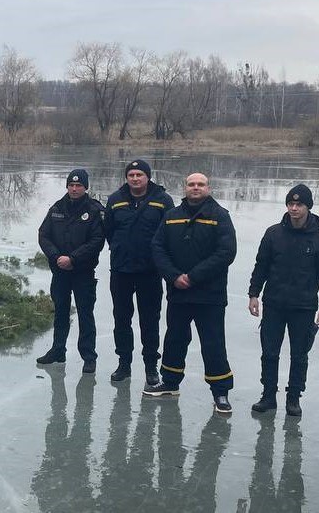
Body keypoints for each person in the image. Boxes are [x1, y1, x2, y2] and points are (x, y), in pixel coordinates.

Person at [144, 172, 237, 414]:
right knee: (175, 338)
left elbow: (226, 252)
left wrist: (193, 276)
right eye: (191, 184)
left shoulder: (220, 216)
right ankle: (170, 383)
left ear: (209, 188)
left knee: (213, 343)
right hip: (178, 293)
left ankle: (220, 393)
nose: (195, 188)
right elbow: (157, 247)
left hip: (210, 296)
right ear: (185, 188)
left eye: (200, 185)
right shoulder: (172, 216)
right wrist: (174, 276)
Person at [248, 183, 319, 418]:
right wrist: (253, 294)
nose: (294, 208)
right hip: (274, 303)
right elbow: (261, 266)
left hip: (303, 306)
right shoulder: (273, 234)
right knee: (269, 353)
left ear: (308, 207)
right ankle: (268, 395)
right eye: (290, 204)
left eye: (299, 204)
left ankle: (293, 397)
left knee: (299, 355)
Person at [103, 159, 174, 385]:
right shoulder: (115, 200)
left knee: (149, 321)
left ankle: (151, 367)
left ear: (147, 177)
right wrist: (120, 249)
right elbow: (109, 231)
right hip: (121, 271)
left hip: (150, 272)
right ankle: (124, 364)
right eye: (131, 174)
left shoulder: (162, 200)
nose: (135, 178)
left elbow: (169, 234)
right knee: (121, 319)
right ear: (127, 177)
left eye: (139, 175)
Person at [36, 168, 106, 373]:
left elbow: (97, 241)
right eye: (71, 185)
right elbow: (43, 235)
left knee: (86, 314)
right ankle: (58, 350)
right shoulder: (57, 208)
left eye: (79, 185)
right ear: (67, 186)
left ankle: (89, 357)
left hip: (82, 272)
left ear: (86, 187)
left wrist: (73, 258)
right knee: (60, 312)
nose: (74, 189)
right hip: (60, 272)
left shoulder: (94, 210)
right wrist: (56, 257)